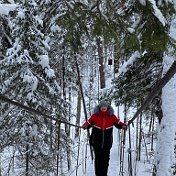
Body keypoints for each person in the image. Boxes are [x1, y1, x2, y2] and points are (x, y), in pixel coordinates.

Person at [82, 100, 127, 176]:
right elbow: (89, 123)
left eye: (105, 106)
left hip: (107, 143)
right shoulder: (95, 116)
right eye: (102, 106)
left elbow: (118, 123)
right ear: (99, 107)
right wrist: (85, 126)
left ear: (107, 107)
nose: (103, 108)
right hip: (96, 142)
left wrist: (123, 125)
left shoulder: (112, 116)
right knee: (98, 160)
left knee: (105, 160)